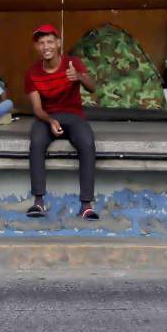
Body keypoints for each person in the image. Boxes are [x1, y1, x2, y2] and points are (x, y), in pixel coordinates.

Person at [24, 24, 100, 220]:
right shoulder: (32, 73)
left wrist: (79, 77)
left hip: (73, 116)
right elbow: (37, 109)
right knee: (37, 142)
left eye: (50, 41)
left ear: (58, 43)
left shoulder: (72, 63)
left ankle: (86, 205)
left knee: (86, 143)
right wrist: (50, 121)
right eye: (41, 43)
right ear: (36, 47)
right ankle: (38, 202)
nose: (46, 46)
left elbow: (92, 88)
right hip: (47, 117)